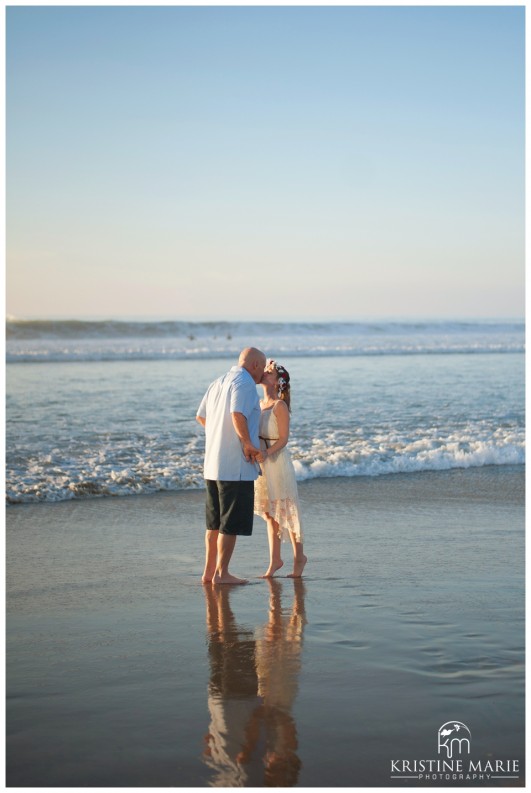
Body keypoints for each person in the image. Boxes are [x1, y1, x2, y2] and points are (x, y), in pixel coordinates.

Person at [197, 347, 266, 585]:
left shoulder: (218, 381)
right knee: (230, 523)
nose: (263, 374)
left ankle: (208, 572)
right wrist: (247, 443)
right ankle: (222, 573)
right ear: (255, 365)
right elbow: (238, 414)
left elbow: (201, 416)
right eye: (263, 367)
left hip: (213, 463)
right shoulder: (245, 382)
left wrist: (218, 434)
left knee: (214, 523)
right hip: (234, 464)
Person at [254, 360, 307, 578]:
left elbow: (284, 439)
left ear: (278, 383)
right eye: (265, 371)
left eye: (269, 372)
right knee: (269, 513)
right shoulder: (257, 404)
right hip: (261, 463)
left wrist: (267, 452)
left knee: (285, 510)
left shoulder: (279, 406)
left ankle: (299, 557)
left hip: (276, 461)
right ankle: (275, 560)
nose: (265, 373)